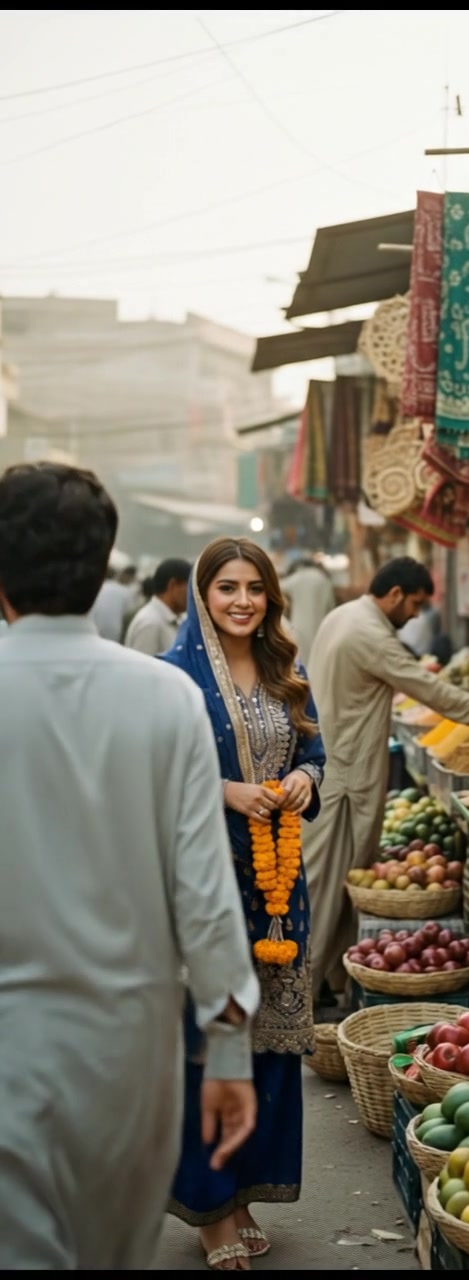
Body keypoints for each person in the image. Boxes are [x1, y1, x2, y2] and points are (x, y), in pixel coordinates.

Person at [0, 463, 259, 1271]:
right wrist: (228, 1051)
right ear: (101, 567)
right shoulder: (164, 697)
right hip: (132, 1050)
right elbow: (205, 896)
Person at [161, 536, 326, 1269]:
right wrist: (225, 789)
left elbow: (314, 754)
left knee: (270, 1046)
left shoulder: (288, 668)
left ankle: (245, 1190)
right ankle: (209, 1209)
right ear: (203, 595)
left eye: (254, 588)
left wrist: (306, 780)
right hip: (206, 882)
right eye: (226, 587)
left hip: (280, 890)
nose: (242, 601)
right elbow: (155, 774)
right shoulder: (172, 680)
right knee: (211, 1044)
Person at [303, 557, 469, 1004]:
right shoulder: (369, 633)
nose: (415, 615)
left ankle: (331, 982)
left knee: (335, 879)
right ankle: (299, 996)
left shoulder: (343, 615)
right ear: (395, 594)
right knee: (328, 885)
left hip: (332, 762)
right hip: (344, 772)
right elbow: (431, 690)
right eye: (414, 604)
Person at [125, 556, 191, 655]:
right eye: (189, 588)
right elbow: (142, 663)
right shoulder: (150, 623)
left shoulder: (177, 619)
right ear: (172, 585)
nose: (192, 595)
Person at [280, 555, 336, 666]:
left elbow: (276, 586)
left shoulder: (297, 577)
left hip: (299, 627)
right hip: (320, 627)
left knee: (302, 660)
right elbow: (331, 606)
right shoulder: (324, 579)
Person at [89, 564, 133, 641]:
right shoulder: (127, 593)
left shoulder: (104, 585)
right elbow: (128, 613)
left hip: (94, 625)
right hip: (113, 630)